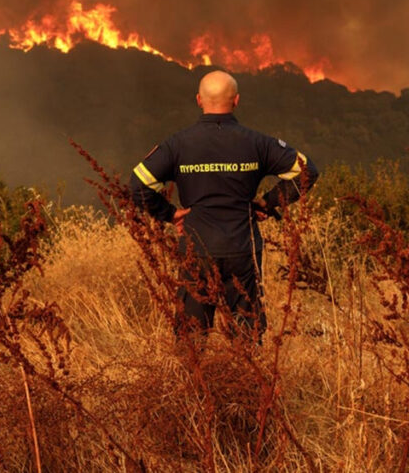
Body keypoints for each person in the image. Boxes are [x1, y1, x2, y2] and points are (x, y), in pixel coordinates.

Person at [129, 70, 318, 339]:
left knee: (191, 340)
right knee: (246, 337)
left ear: (198, 100)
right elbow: (307, 170)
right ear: (236, 100)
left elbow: (138, 184)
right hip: (242, 249)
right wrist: (268, 202)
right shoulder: (258, 143)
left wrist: (170, 214)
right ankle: (242, 381)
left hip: (197, 249)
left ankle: (195, 382)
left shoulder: (177, 145)